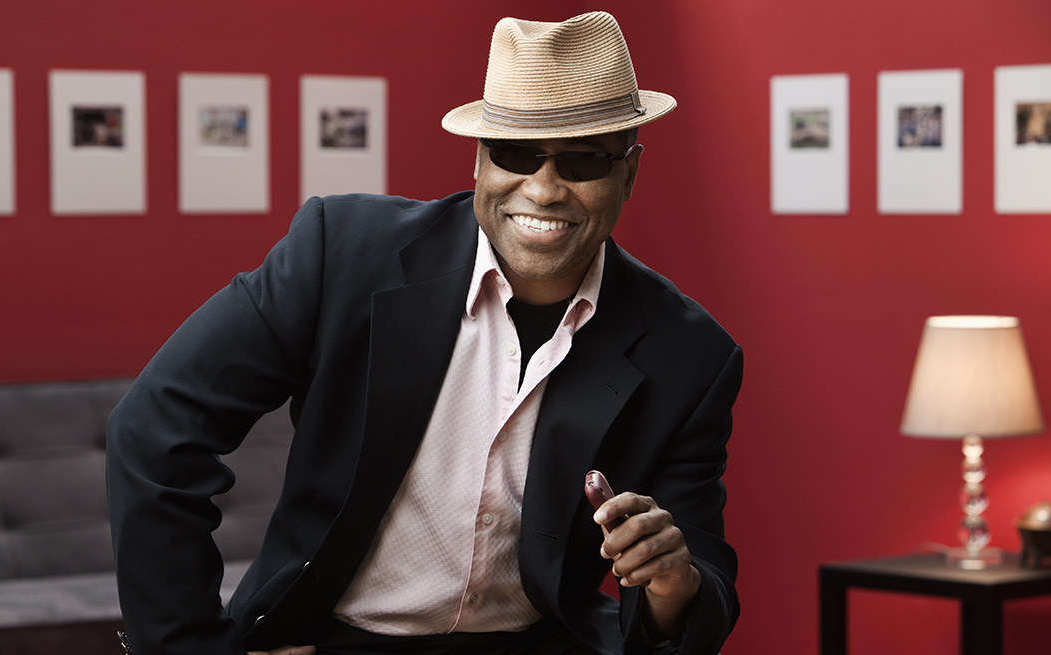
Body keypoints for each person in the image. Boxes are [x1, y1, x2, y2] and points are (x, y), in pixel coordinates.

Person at [107, 11, 742, 655]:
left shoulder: (689, 354)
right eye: (516, 154)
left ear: (628, 174)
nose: (545, 189)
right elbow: (157, 427)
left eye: (583, 161)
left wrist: (672, 586)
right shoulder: (341, 255)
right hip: (329, 641)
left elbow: (699, 589)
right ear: (479, 162)